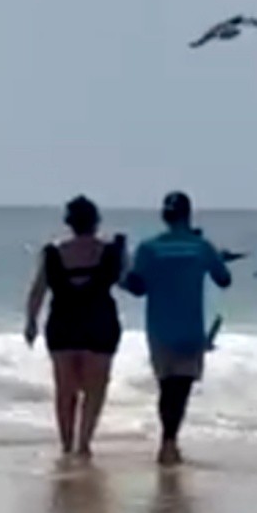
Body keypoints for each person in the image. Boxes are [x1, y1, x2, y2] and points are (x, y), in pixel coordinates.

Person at [123, 192, 231, 465]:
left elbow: (137, 289)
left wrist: (119, 270)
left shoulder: (149, 248)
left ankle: (167, 442)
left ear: (164, 216)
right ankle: (170, 441)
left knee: (165, 387)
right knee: (181, 390)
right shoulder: (201, 246)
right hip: (191, 329)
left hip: (159, 329)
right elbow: (224, 280)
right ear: (188, 215)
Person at [25, 196, 124, 460]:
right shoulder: (111, 251)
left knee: (64, 388)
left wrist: (31, 322)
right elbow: (126, 280)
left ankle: (67, 443)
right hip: (100, 322)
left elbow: (38, 291)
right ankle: (84, 442)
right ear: (96, 221)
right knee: (95, 388)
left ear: (69, 223)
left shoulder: (52, 253)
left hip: (63, 324)